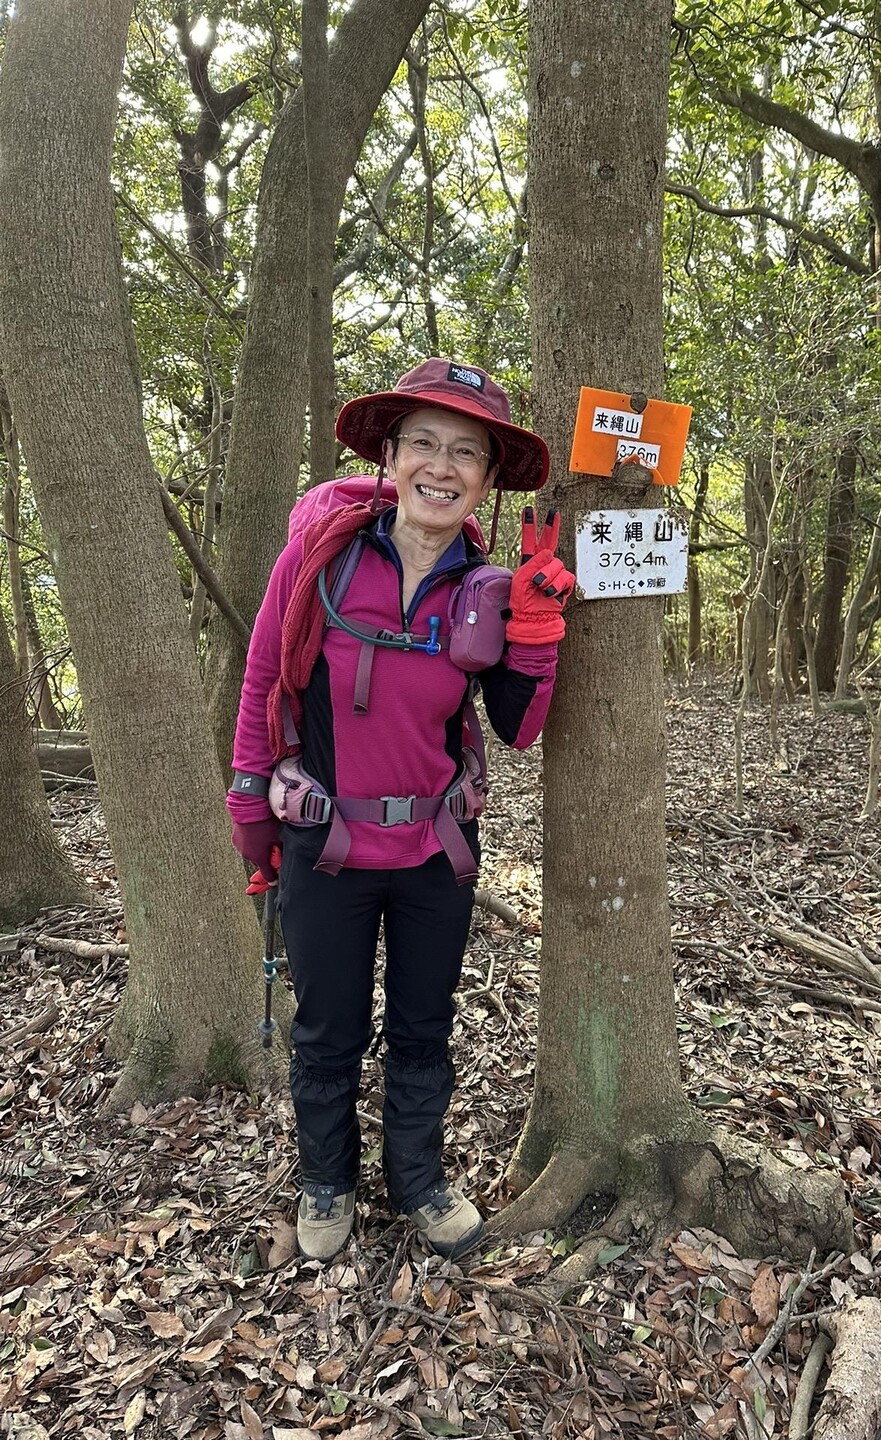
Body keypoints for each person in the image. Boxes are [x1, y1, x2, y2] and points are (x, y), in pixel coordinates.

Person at [227, 359, 574, 1262]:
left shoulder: (488, 590)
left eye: (467, 451)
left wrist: (536, 638)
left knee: (426, 1022)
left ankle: (417, 1180)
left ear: (489, 481)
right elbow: (264, 676)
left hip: (434, 851)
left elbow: (518, 727)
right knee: (327, 1026)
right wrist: (249, 814)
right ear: (389, 453)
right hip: (325, 845)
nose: (442, 465)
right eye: (423, 441)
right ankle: (327, 1182)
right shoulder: (319, 561)